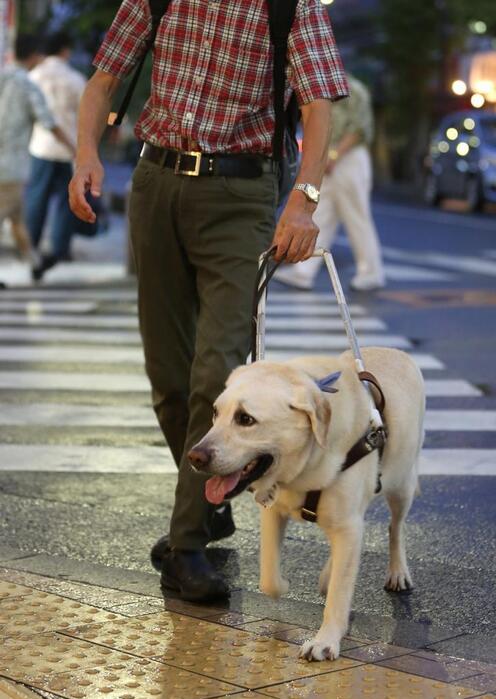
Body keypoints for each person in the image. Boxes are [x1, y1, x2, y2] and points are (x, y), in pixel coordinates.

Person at [69, 0, 348, 602]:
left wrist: (303, 199)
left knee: (214, 373)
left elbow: (318, 103)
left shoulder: (289, 7)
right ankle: (210, 498)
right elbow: (103, 81)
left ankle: (187, 547)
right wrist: (86, 155)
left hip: (241, 192)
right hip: (156, 187)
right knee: (168, 376)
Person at [274, 74, 386, 292]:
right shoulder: (319, 88)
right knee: (321, 214)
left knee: (356, 215)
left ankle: (371, 272)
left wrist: (334, 155)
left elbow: (359, 129)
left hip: (350, 158)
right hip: (328, 158)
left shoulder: (356, 89)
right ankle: (303, 271)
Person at [0, 34, 73, 270]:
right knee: (7, 212)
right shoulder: (27, 84)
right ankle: (33, 261)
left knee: (17, 217)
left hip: (8, 166)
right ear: (34, 56)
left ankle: (33, 261)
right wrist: (75, 149)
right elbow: (48, 121)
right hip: (10, 165)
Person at [26, 31, 85, 281]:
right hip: (68, 149)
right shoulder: (75, 79)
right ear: (65, 50)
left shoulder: (33, 76)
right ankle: (58, 249)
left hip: (39, 146)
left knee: (36, 198)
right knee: (65, 201)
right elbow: (86, 114)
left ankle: (30, 247)